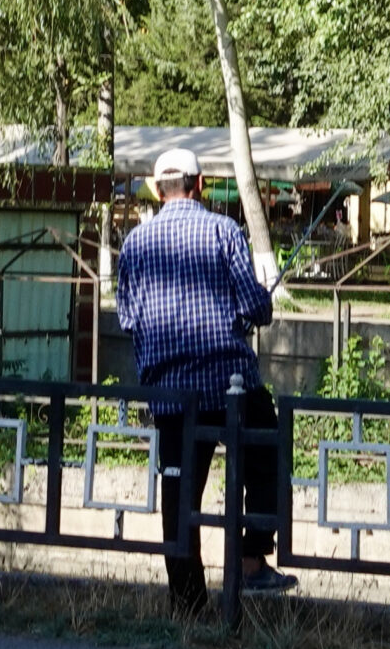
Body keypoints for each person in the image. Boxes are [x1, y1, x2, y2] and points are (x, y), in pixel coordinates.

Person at [116, 146, 297, 611]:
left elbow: (129, 318)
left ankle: (188, 606)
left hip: (171, 394)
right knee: (266, 456)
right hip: (230, 384)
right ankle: (253, 563)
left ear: (158, 190)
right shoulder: (223, 230)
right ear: (199, 186)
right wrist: (253, 303)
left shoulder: (136, 243)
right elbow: (258, 308)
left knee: (179, 498)